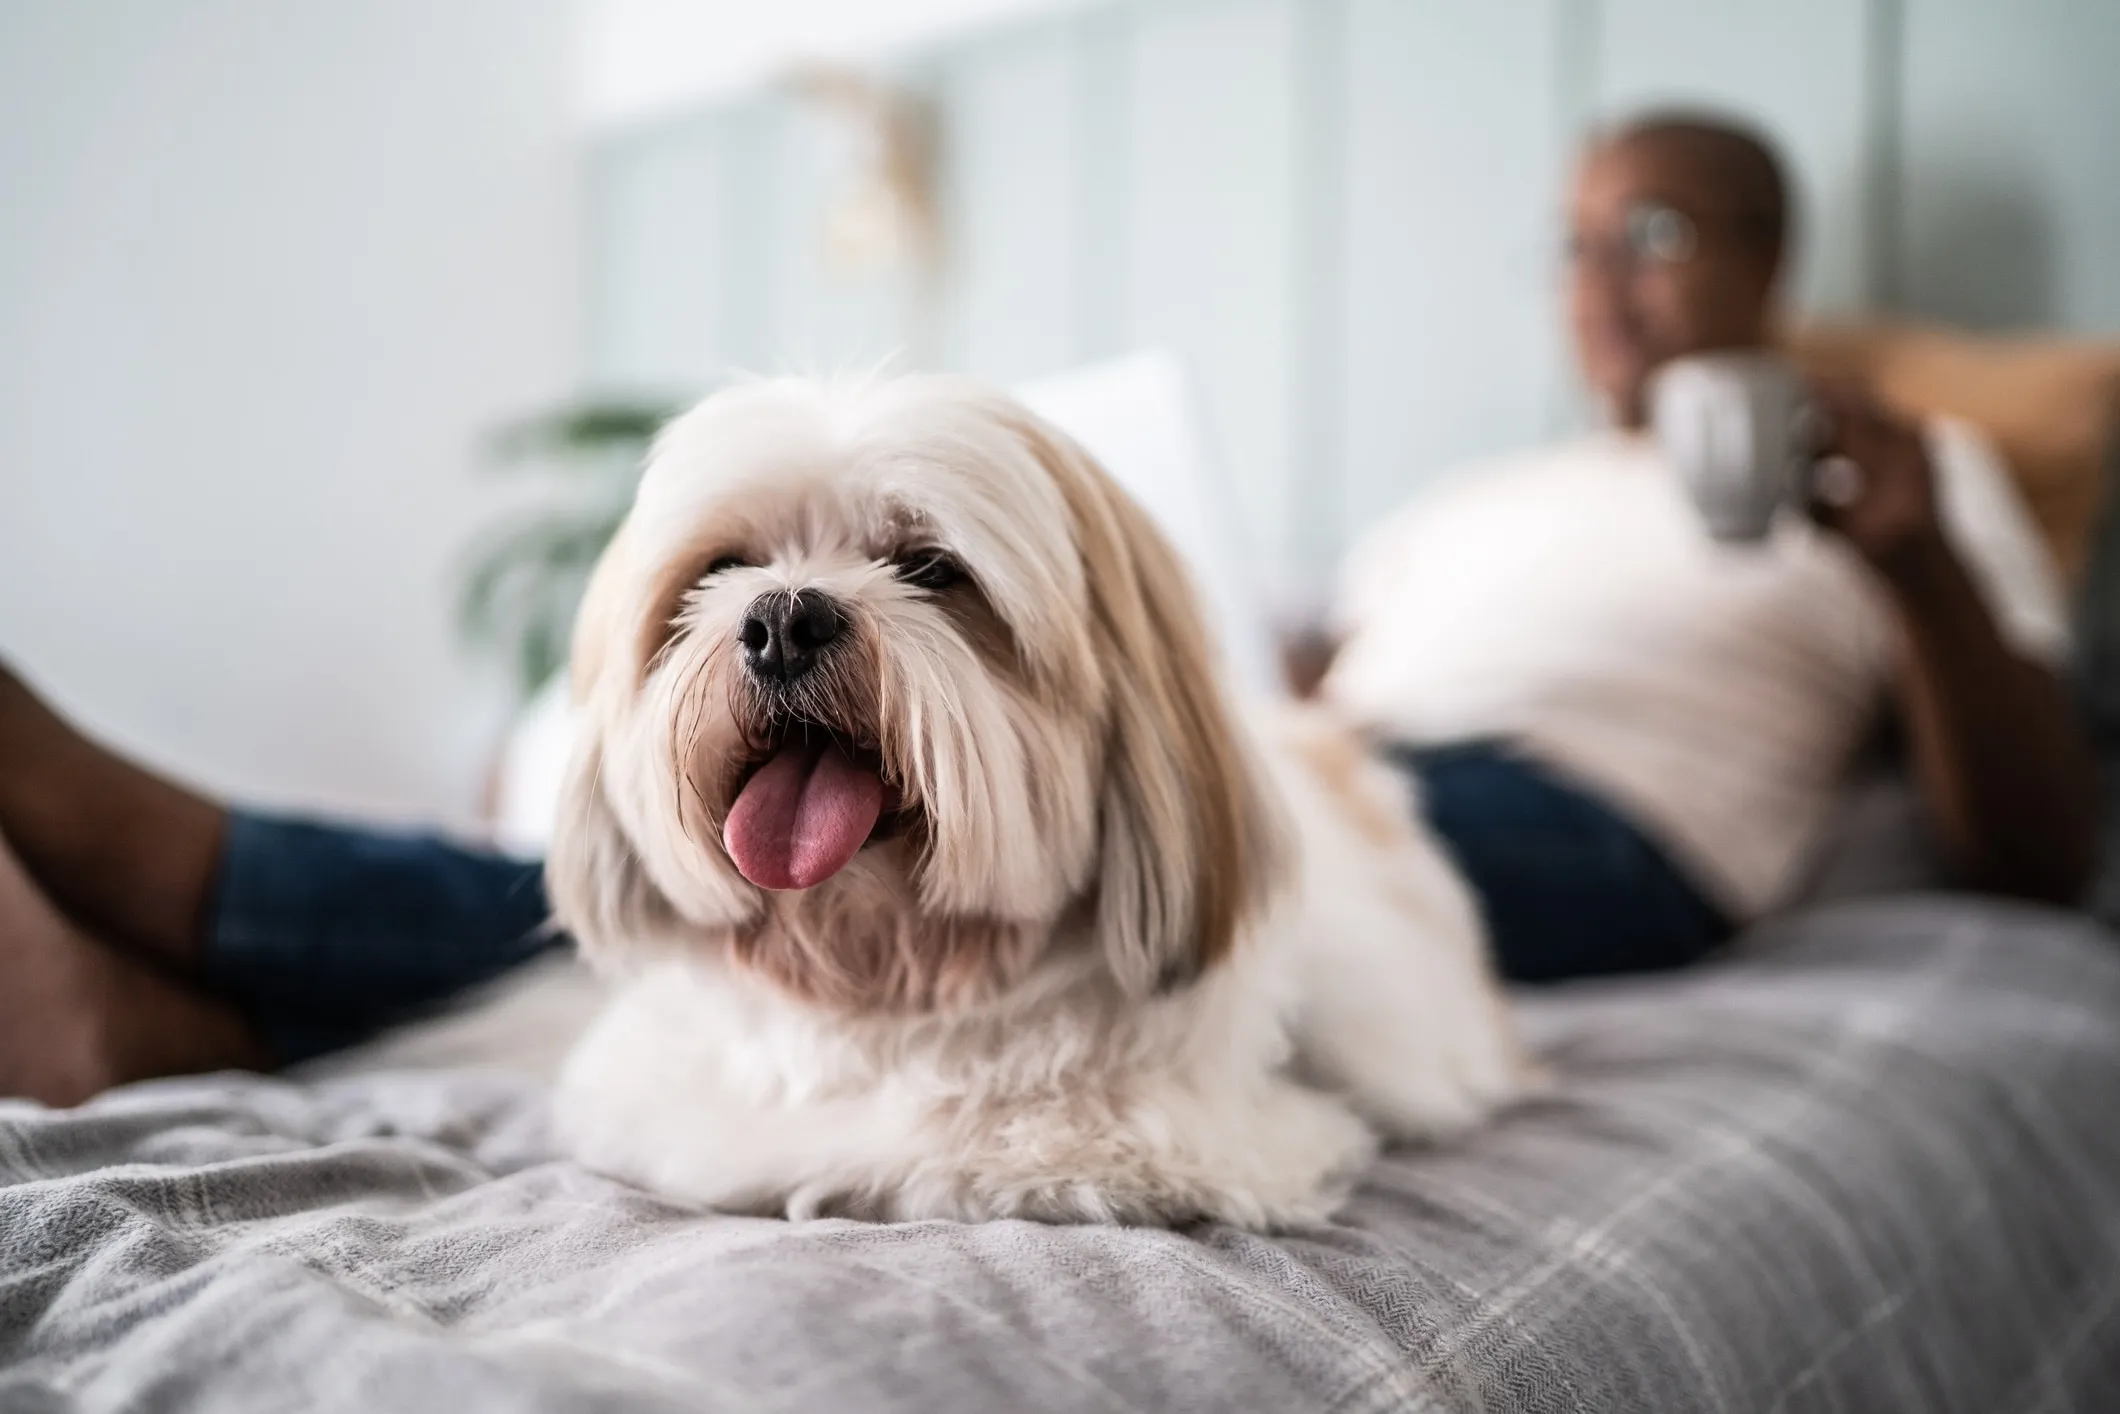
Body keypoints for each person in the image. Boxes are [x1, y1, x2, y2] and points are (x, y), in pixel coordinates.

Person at [0, 112, 2098, 1107]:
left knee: (1150, 875)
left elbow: (2030, 847)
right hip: (1353, 742)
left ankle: (196, 883)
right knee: (824, 861)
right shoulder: (1476, 502)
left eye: (1651, 228)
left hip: (1593, 825)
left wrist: (1905, 546)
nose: (1599, 278)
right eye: (1564, 243)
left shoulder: (1902, 478)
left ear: (1763, 249)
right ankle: (193, 1009)